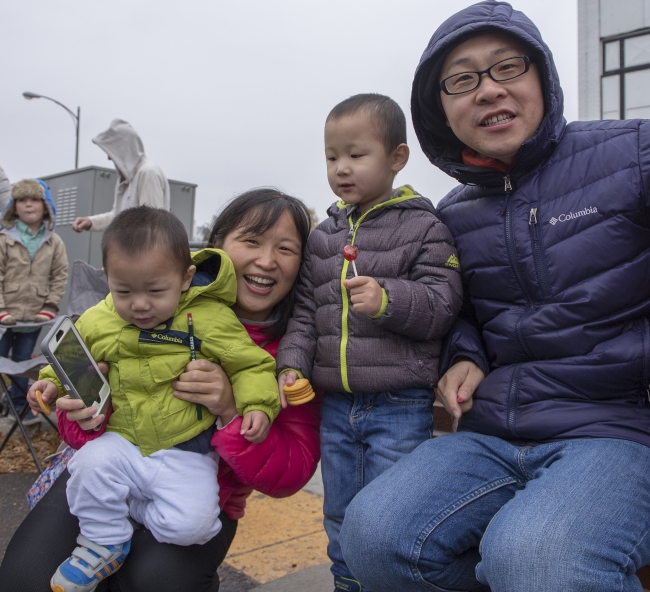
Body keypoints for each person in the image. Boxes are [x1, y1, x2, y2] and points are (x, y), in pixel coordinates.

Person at [338, 2, 650, 592]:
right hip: (495, 430)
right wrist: (466, 353)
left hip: (620, 427)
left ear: (543, 78)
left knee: (533, 557)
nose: (487, 90)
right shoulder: (451, 215)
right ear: (441, 111)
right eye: (461, 79)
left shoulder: (632, 154)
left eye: (507, 67)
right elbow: (465, 312)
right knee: (374, 536)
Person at [0, 189, 320, 592]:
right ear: (217, 245)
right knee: (25, 579)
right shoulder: (141, 298)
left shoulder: (294, 352)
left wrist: (230, 408)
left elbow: (291, 471)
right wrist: (81, 412)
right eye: (251, 240)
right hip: (113, 467)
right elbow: (78, 408)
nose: (266, 260)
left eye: (286, 248)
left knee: (152, 579)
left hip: (195, 488)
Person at [276, 93, 462, 592]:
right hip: (336, 403)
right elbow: (304, 317)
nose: (342, 168)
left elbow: (443, 305)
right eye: (332, 156)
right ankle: (348, 586)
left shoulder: (424, 226)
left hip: (400, 403)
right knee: (338, 512)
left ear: (397, 157)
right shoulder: (322, 238)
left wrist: (388, 299)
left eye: (356, 155)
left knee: (388, 518)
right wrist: (289, 365)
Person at [0, 179, 68, 421]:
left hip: (33, 319)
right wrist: (1, 310)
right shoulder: (4, 239)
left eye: (34, 200)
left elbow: (60, 274)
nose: (28, 205)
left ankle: (20, 408)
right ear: (13, 207)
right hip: (3, 319)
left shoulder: (54, 241)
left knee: (22, 364)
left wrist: (49, 308)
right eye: (22, 200)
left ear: (45, 206)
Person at [71, 119, 170, 233]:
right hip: (126, 250)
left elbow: (152, 224)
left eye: (112, 152)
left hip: (139, 250)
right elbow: (118, 217)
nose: (109, 158)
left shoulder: (148, 172)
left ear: (123, 149)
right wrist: (91, 222)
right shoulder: (126, 178)